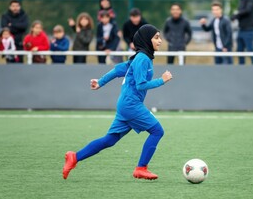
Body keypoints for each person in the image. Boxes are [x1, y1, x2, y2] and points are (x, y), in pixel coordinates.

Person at [62, 24, 173, 180]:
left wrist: (100, 82)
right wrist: (162, 80)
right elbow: (141, 85)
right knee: (157, 131)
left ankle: (74, 157)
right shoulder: (142, 59)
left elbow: (117, 70)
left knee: (110, 140)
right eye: (156, 37)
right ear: (146, 40)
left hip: (126, 104)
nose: (160, 41)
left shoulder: (140, 56)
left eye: (159, 37)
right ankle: (141, 168)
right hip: (131, 104)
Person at [231, 0, 253, 65]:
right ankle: (241, 69)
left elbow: (248, 10)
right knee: (239, 51)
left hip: (248, 30)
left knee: (250, 50)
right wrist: (234, 17)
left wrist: (236, 14)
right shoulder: (241, 0)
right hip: (241, 30)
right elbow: (241, 12)